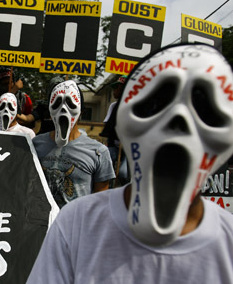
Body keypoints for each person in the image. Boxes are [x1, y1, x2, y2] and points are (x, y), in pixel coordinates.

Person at [27, 43, 233, 284]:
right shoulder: (76, 223)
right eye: (154, 107)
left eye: (207, 112)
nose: (178, 125)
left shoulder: (227, 244)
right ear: (122, 124)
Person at [33, 79, 115, 208]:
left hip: (75, 225)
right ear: (50, 109)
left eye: (70, 103)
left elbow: (101, 201)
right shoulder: (35, 145)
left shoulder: (98, 152)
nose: (63, 109)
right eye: (57, 103)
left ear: (81, 111)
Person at [100, 75, 129, 186]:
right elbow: (107, 124)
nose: (114, 91)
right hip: (114, 145)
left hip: (129, 149)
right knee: (106, 165)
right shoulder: (113, 106)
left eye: (117, 88)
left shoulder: (134, 106)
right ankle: (108, 188)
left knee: (123, 173)